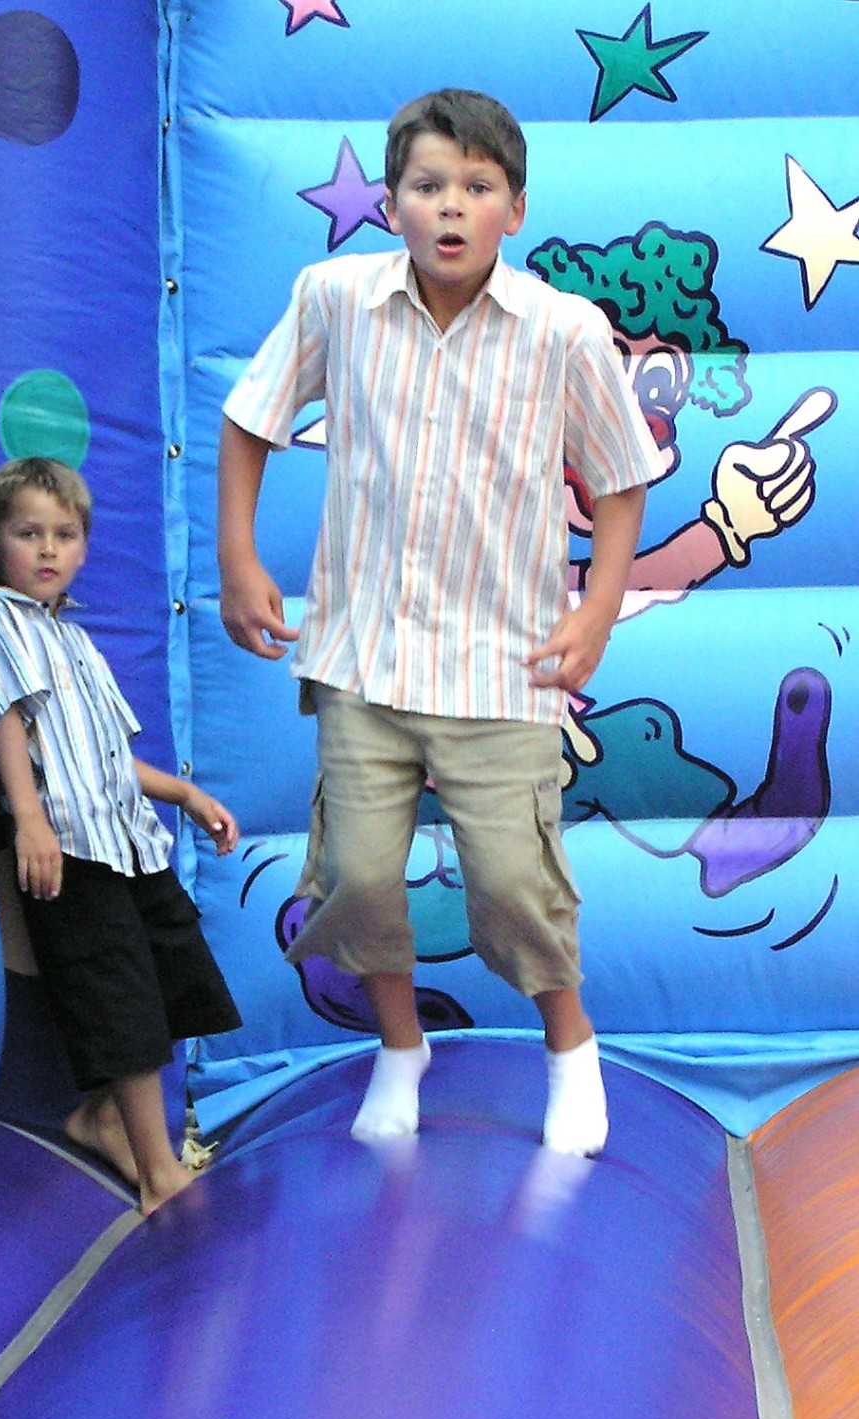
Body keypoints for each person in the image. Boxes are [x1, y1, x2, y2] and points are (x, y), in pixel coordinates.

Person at [217, 88, 664, 1154]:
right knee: (360, 877)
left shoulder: (560, 328)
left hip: (499, 664)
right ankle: (399, 1046)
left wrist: (596, 611)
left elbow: (619, 479)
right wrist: (237, 557)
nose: (450, 206)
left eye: (475, 186)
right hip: (363, 656)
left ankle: (570, 1049)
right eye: (426, 186)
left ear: (515, 208)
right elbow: (250, 418)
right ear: (391, 203)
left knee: (512, 883)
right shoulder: (335, 298)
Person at [0, 457, 242, 1215]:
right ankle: (158, 1173)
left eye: (64, 535)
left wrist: (184, 793)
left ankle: (103, 1119)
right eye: (28, 534)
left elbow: (112, 756)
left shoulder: (74, 639)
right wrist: (29, 819)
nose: (48, 549)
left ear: (84, 547)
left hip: (127, 842)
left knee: (170, 979)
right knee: (117, 999)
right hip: (69, 846)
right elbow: (7, 717)